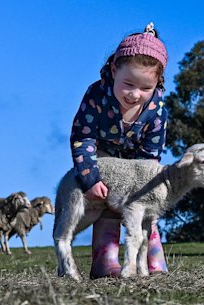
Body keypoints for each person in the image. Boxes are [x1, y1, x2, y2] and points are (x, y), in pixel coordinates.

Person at [70, 22, 168, 278]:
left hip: (138, 169)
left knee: (146, 212)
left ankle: (152, 261)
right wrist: (90, 177)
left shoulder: (157, 112)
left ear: (158, 83)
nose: (135, 94)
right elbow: (83, 137)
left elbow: (151, 157)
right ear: (114, 70)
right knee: (107, 206)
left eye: (146, 88)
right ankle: (106, 262)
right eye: (128, 84)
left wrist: (143, 189)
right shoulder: (96, 97)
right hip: (103, 162)